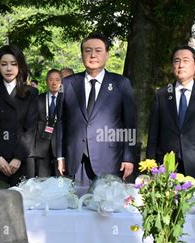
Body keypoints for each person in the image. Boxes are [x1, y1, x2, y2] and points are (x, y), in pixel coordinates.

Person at [56, 33, 137, 184]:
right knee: (77, 204)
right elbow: (61, 122)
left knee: (105, 205)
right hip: (76, 159)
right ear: (82, 55)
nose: (93, 55)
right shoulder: (68, 84)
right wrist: (60, 156)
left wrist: (128, 157)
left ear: (106, 55)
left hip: (110, 159)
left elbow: (129, 123)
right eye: (88, 50)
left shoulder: (121, 84)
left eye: (98, 51)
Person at [146, 45, 195, 183]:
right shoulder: (162, 94)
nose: (180, 65)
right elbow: (153, 135)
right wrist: (151, 166)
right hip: (166, 165)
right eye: (176, 61)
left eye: (186, 60)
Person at [0, 45, 38, 187]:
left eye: (13, 64)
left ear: (20, 66)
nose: (8, 69)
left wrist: (18, 158)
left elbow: (31, 129)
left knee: (23, 204)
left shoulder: (31, 93)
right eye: (4, 64)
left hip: (22, 160)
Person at [28, 69, 62, 177]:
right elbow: (32, 123)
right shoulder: (38, 99)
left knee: (61, 182)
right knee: (43, 181)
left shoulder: (65, 99)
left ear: (61, 82)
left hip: (59, 147)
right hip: (41, 145)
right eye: (51, 79)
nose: (54, 83)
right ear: (46, 81)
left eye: (57, 80)